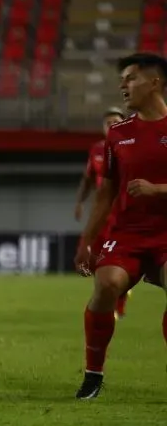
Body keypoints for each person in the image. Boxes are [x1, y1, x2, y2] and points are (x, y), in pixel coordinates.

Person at [74, 53, 167, 400]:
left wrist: (158, 189)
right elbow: (106, 193)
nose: (122, 85)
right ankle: (93, 374)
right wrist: (87, 241)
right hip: (126, 235)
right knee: (105, 287)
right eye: (122, 79)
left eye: (130, 78)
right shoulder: (118, 134)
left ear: (154, 82)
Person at [73, 107, 128, 317]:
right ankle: (114, 294)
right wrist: (79, 202)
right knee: (90, 259)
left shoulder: (133, 148)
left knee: (117, 262)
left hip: (125, 214)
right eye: (107, 123)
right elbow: (88, 180)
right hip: (101, 213)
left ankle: (118, 301)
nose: (111, 125)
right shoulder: (97, 150)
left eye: (116, 121)